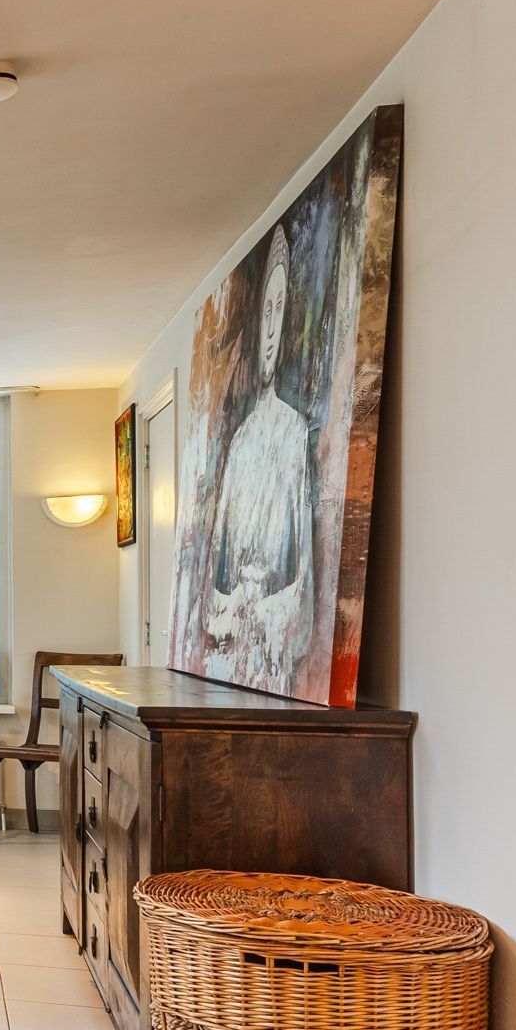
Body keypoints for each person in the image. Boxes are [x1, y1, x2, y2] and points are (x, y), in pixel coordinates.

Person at [205, 226, 315, 691]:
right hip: (232, 647)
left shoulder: (294, 432)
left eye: (279, 309)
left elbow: (302, 576)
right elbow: (218, 574)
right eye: (264, 312)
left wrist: (265, 613)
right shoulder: (239, 442)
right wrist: (233, 608)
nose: (270, 329)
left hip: (271, 647)